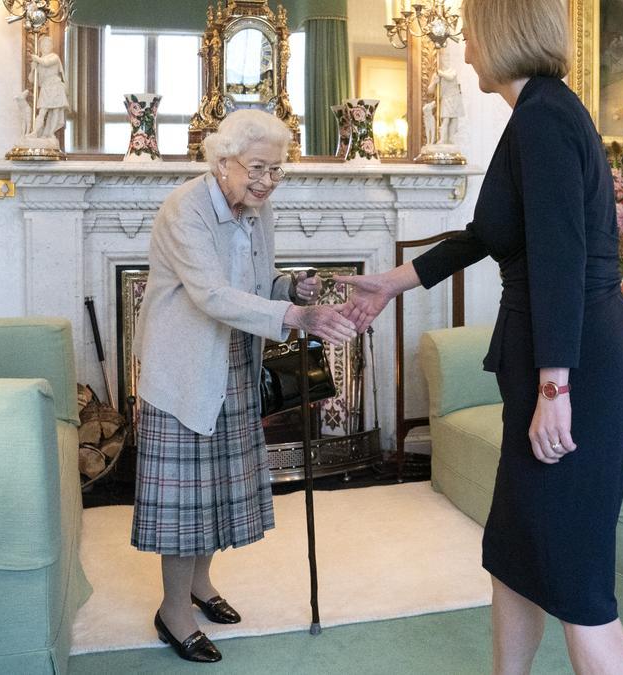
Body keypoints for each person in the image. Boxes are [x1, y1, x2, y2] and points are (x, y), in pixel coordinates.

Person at [337, 0, 623, 672]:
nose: (466, 49)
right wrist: (395, 281)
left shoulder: (544, 119)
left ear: (502, 33)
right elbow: (488, 234)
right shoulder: (534, 115)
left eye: (471, 34)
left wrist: (555, 386)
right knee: (514, 551)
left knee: (576, 581)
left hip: (577, 368)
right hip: (554, 358)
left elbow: (561, 261)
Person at [131, 109, 357, 663]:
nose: (266, 181)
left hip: (234, 360)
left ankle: (199, 586)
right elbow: (209, 294)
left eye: (276, 171)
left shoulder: (258, 211)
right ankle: (173, 612)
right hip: (185, 367)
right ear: (223, 161)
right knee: (185, 500)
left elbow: (256, 283)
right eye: (257, 168)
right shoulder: (185, 209)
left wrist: (294, 287)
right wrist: (295, 318)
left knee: (216, 489)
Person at [29, 35, 69, 140]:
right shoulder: (38, 61)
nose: (46, 46)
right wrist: (33, 70)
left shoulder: (54, 57)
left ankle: (50, 133)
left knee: (56, 111)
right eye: (44, 44)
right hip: (46, 87)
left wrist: (37, 59)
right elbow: (32, 80)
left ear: (51, 46)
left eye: (48, 44)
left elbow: (46, 63)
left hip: (55, 86)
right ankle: (35, 132)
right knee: (42, 111)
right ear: (41, 47)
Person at [426, 48, 465, 146]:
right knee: (446, 120)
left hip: (455, 97)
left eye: (447, 58)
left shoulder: (452, 71)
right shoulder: (437, 74)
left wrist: (441, 74)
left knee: (454, 120)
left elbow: (451, 77)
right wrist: (434, 83)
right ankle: (443, 139)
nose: (446, 60)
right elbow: (430, 91)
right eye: (444, 58)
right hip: (446, 98)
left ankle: (451, 139)